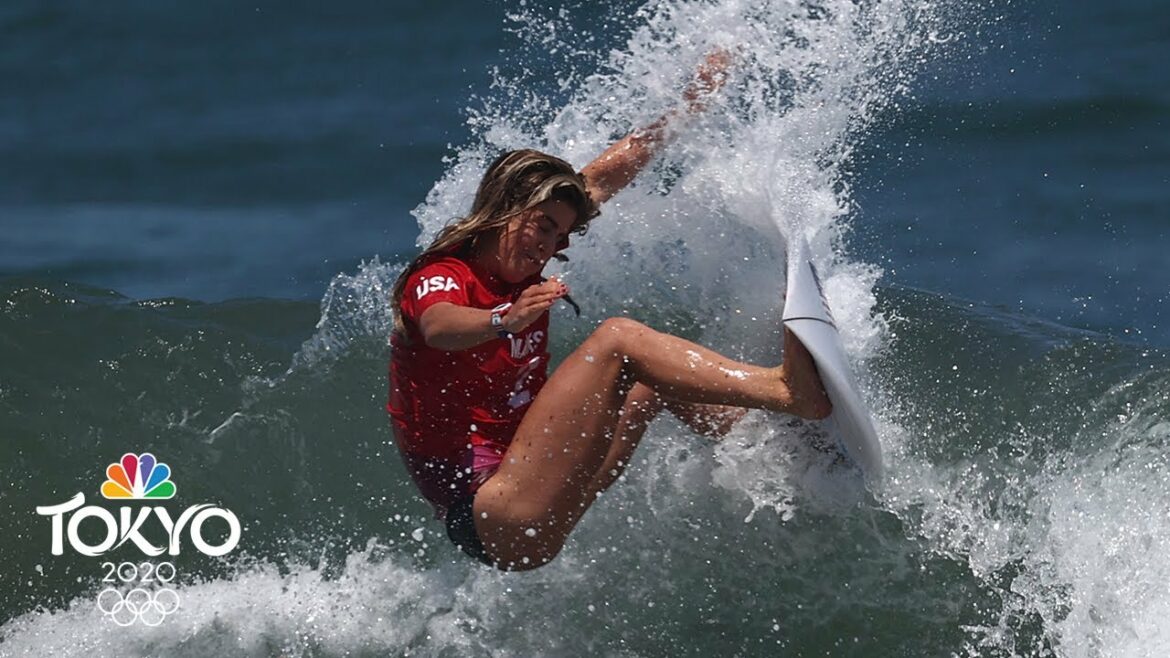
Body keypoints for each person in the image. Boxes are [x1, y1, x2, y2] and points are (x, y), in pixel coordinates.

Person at [387, 52, 831, 571]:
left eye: (559, 234)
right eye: (540, 226)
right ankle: (788, 391)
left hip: (531, 483)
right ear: (505, 208)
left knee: (655, 381)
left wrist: (689, 106)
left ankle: (777, 458)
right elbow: (437, 325)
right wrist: (501, 321)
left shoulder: (525, 258)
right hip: (493, 514)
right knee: (618, 340)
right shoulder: (443, 275)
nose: (548, 246)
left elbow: (603, 176)